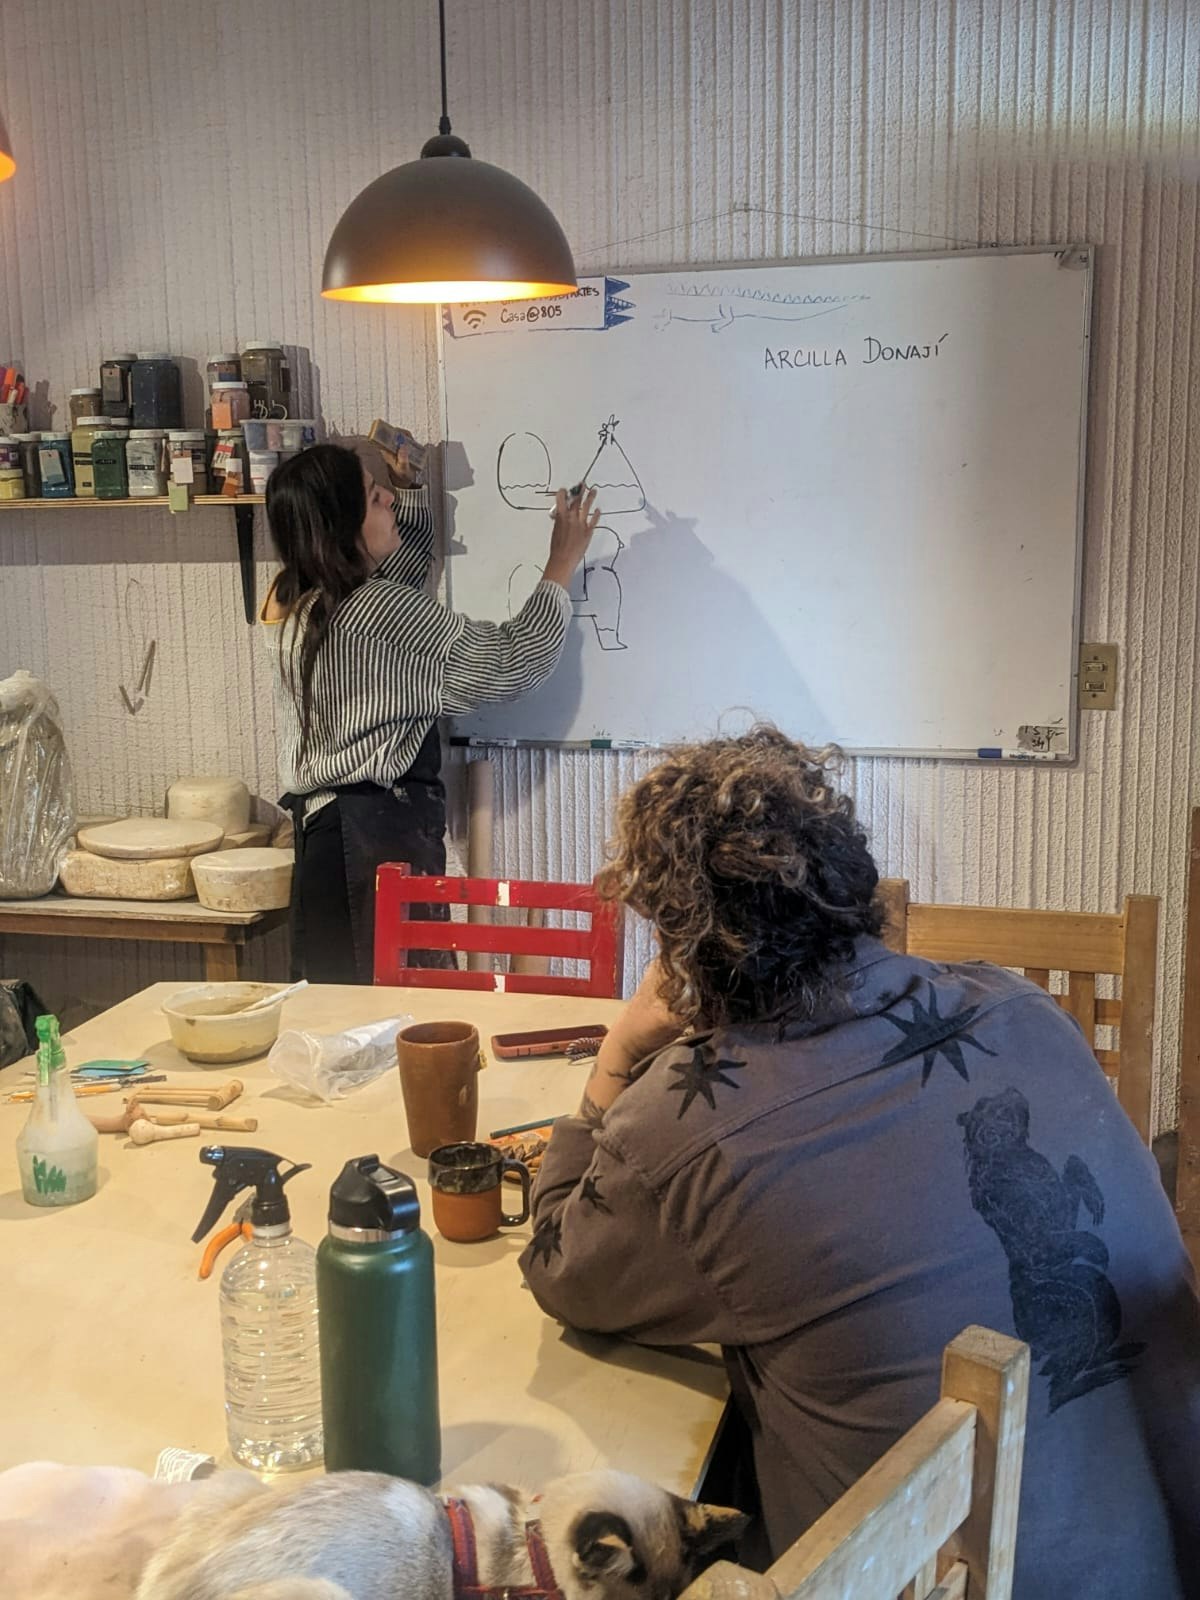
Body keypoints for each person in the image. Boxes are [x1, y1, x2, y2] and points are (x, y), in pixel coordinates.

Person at [519, 726, 1200, 1599]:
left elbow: (559, 1269)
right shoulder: (1023, 1006)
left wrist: (617, 1056)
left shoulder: (684, 1130)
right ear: (853, 883)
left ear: (681, 949)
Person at [262, 442, 598, 982]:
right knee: (392, 1013)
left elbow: (397, 582)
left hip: (331, 840)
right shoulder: (375, 613)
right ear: (343, 524)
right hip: (369, 848)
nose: (389, 500)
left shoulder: (303, 603)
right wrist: (561, 561)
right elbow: (511, 662)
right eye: (375, 497)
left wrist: (412, 488)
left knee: (344, 1013)